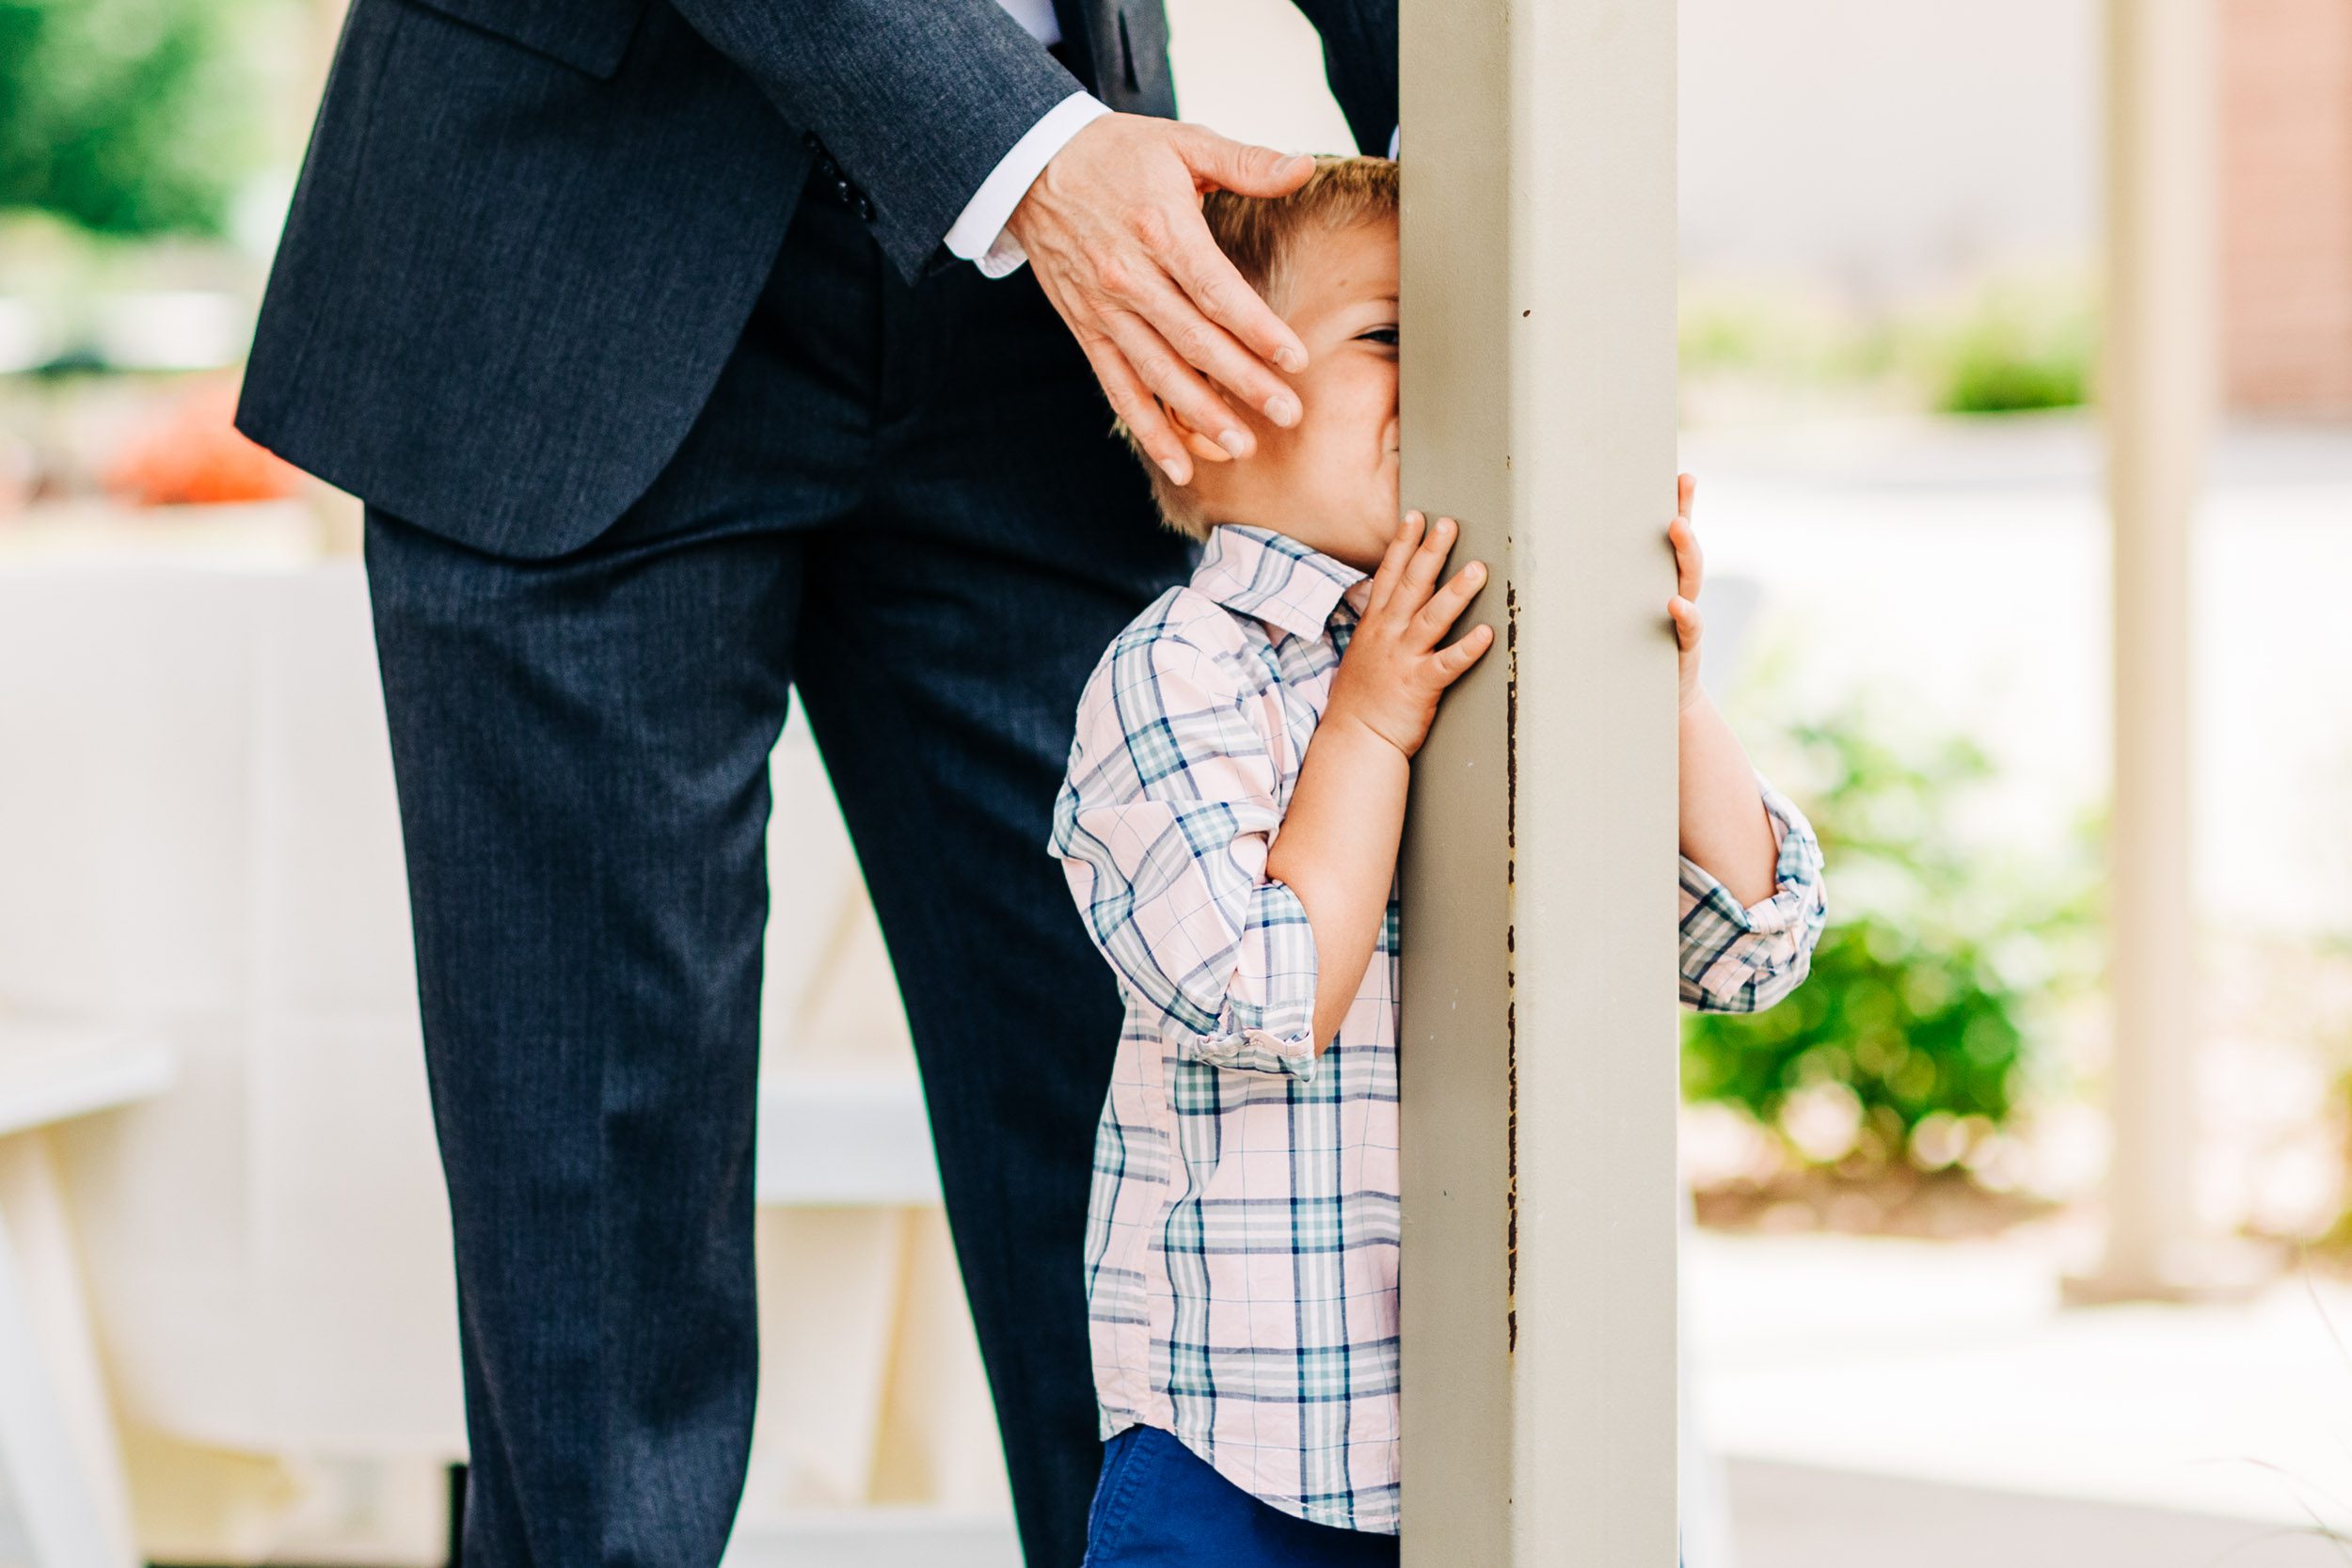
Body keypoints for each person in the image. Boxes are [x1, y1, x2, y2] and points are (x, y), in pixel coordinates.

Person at [232, 2, 1396, 1563]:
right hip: (563, 243)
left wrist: (1485, 175)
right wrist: (1024, 154)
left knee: (1199, 1185)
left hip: (1079, 308)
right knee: (595, 1262)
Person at [1049, 157, 1830, 1565]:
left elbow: (1745, 947)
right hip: (1249, 1454)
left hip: (1504, 1439)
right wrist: (1368, 724)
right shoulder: (1179, 677)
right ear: (1198, 410)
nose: (1455, 376)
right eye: (1395, 335)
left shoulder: (1503, 645)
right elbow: (1260, 990)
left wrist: (1661, 693)